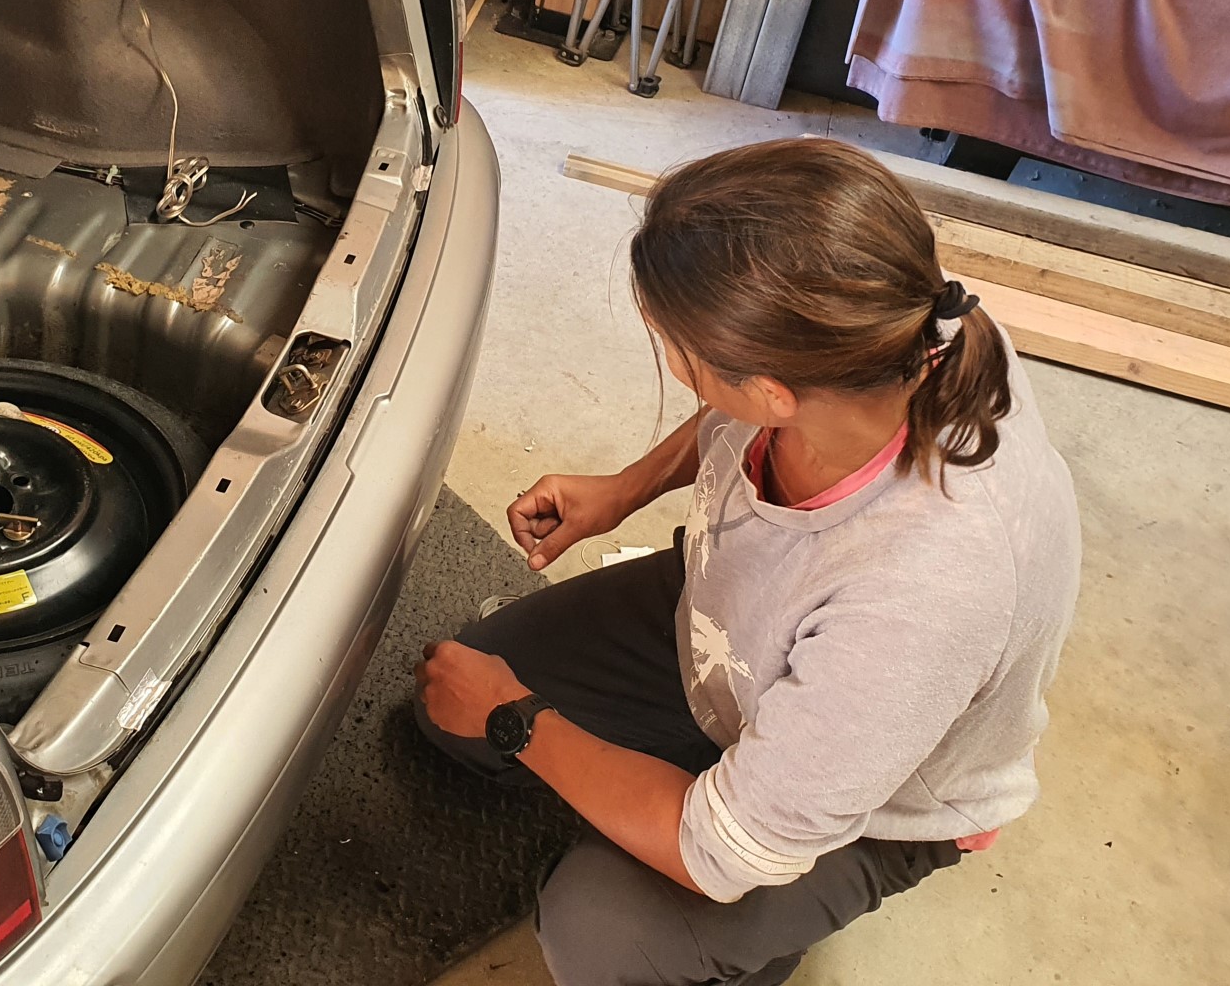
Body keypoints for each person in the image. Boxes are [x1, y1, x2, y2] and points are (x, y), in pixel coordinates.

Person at [415, 138, 1081, 985]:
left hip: (890, 797)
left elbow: (718, 852)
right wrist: (623, 490)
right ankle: (718, 769)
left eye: (678, 349)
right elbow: (740, 410)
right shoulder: (900, 321)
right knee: (446, 716)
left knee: (606, 935)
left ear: (771, 391)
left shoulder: (926, 588)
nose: (671, 360)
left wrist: (518, 716)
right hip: (739, 617)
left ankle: (743, 936)